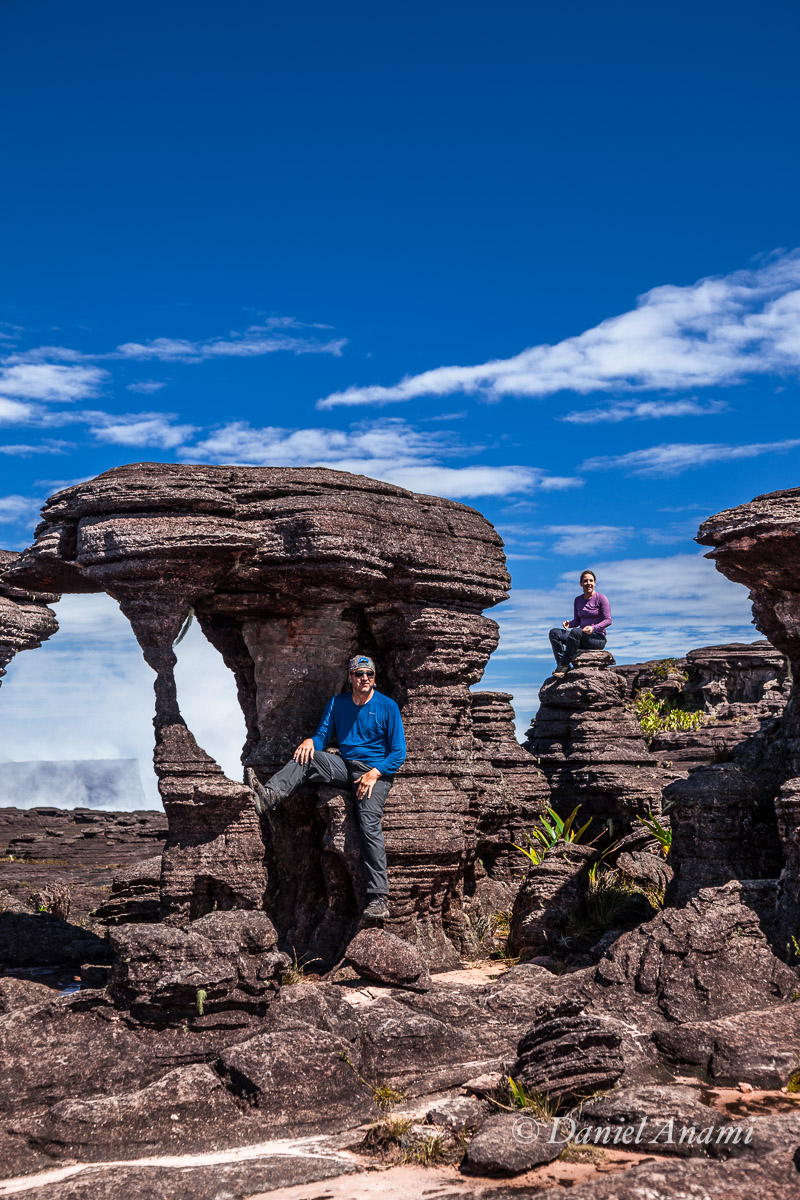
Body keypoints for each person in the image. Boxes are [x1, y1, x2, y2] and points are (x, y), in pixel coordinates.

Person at [251, 654, 406, 920]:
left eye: (369, 674)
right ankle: (269, 796)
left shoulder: (388, 707)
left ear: (375, 678)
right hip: (345, 766)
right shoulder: (337, 703)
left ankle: (378, 897)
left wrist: (375, 773)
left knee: (368, 823)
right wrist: (312, 740)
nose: (365, 678)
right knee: (306, 756)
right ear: (350, 678)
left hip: (375, 774)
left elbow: (399, 752)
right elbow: (323, 736)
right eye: (359, 674)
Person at [548, 570, 612, 678]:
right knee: (554, 633)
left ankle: (562, 665)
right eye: (585, 581)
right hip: (579, 636)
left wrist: (593, 628)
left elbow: (608, 620)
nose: (588, 583)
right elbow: (577, 621)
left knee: (576, 631)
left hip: (597, 638)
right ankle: (563, 665)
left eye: (591, 581)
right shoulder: (578, 600)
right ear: (581, 583)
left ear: (595, 582)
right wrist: (570, 623)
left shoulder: (601, 598)